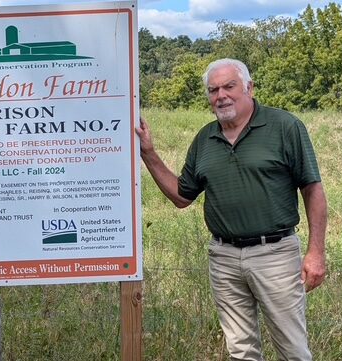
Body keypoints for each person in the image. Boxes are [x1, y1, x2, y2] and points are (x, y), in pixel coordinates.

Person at [137, 58, 327, 360]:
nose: (221, 96)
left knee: (292, 348)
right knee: (240, 351)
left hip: (275, 254)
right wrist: (148, 153)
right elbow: (181, 196)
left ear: (249, 87)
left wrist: (316, 252)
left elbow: (313, 189)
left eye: (229, 86)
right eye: (213, 90)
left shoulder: (284, 127)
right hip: (224, 257)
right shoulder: (205, 139)